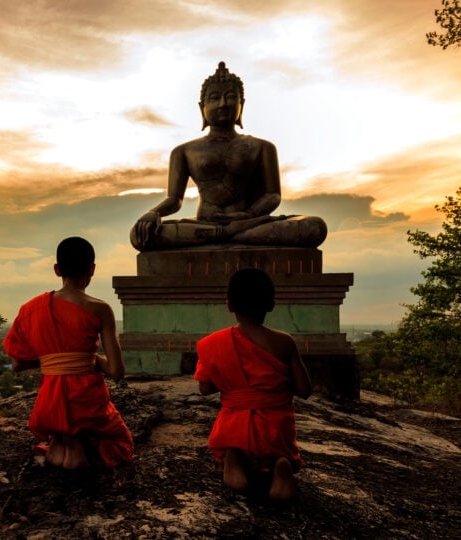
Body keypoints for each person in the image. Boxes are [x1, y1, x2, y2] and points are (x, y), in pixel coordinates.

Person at [130, 61, 327, 251]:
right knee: (140, 234)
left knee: (314, 227)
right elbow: (175, 199)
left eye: (231, 97)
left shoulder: (262, 147)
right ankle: (230, 235)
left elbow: (273, 195)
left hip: (250, 223)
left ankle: (223, 235)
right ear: (202, 107)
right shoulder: (184, 151)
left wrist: (247, 215)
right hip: (204, 224)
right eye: (214, 98)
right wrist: (153, 213)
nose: (223, 104)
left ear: (242, 105)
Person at [3, 237, 134, 469]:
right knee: (121, 444)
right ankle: (74, 445)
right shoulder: (100, 309)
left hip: (48, 405)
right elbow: (116, 371)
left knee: (62, 431)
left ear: (57, 270)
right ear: (92, 269)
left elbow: (17, 364)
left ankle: (62, 441)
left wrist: (55, 361)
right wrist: (87, 360)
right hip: (86, 403)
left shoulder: (30, 309)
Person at [194, 268, 312, 500]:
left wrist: (233, 380)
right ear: (270, 305)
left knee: (231, 443)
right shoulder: (284, 342)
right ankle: (281, 463)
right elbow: (305, 390)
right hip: (276, 430)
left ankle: (234, 457)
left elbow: (205, 388)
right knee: (281, 451)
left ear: (229, 305)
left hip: (234, 428)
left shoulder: (214, 343)